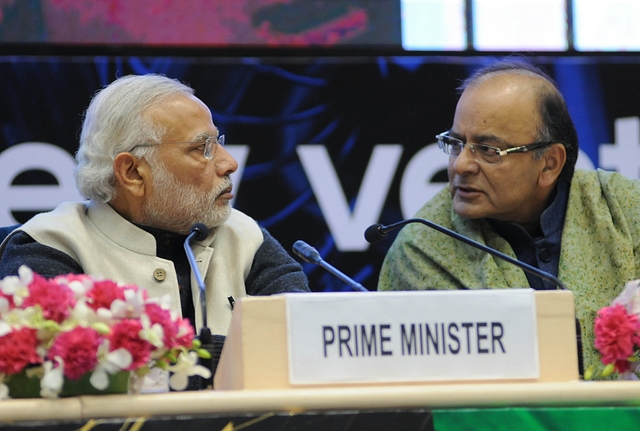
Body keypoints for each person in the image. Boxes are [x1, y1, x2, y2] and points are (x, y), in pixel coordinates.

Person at [0, 74, 310, 382]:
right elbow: (63, 368)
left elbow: (302, 343)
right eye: (201, 148)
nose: (229, 163)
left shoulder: (244, 236)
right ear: (132, 172)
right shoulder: (52, 246)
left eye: (218, 143)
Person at [377, 58, 640, 377]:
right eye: (456, 144)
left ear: (550, 164)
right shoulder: (422, 248)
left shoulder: (626, 210)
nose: (460, 165)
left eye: (488, 150)